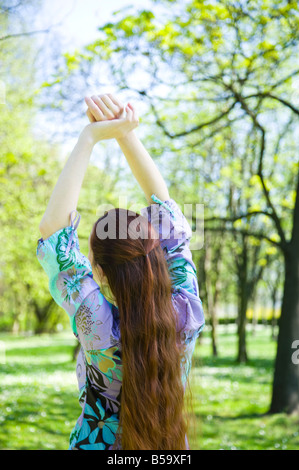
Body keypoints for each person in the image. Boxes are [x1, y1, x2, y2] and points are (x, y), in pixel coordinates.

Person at [36, 93, 205, 450]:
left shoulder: (98, 328)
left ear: (98, 270)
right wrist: (128, 133)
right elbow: (166, 207)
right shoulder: (185, 314)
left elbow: (54, 231)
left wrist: (90, 137)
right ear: (157, 255)